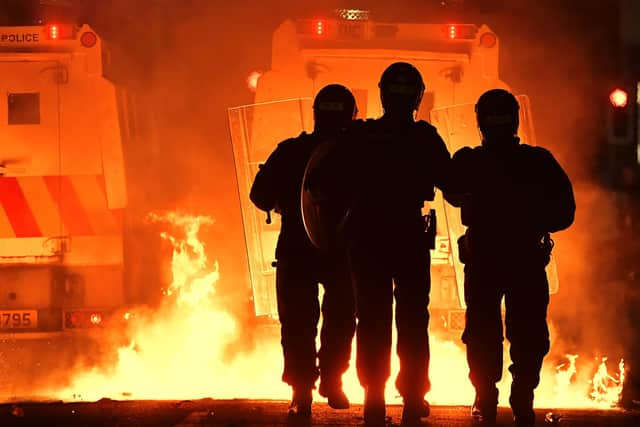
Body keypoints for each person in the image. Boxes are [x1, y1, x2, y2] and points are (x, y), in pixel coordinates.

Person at [444, 89, 576, 426]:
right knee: (528, 331)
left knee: (483, 332)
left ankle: (487, 397)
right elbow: (564, 213)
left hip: (485, 261)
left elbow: (449, 189)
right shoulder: (538, 161)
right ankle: (522, 397)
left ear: (480, 123)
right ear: (515, 120)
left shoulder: (470, 160)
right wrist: (533, 217)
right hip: (525, 261)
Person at [330, 62, 450, 425]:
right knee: (413, 317)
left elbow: (326, 179)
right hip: (409, 236)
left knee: (372, 317)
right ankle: (413, 397)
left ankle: (374, 397)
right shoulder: (425, 138)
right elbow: (454, 187)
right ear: (417, 97)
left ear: (382, 94)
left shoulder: (360, 135)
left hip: (367, 237)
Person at [249, 84, 357, 418]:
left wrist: (285, 203)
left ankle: (301, 392)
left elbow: (260, 196)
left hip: (297, 247)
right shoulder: (358, 155)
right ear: (350, 115)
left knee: (297, 322)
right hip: (343, 249)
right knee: (341, 318)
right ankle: (332, 381)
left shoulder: (290, 151)